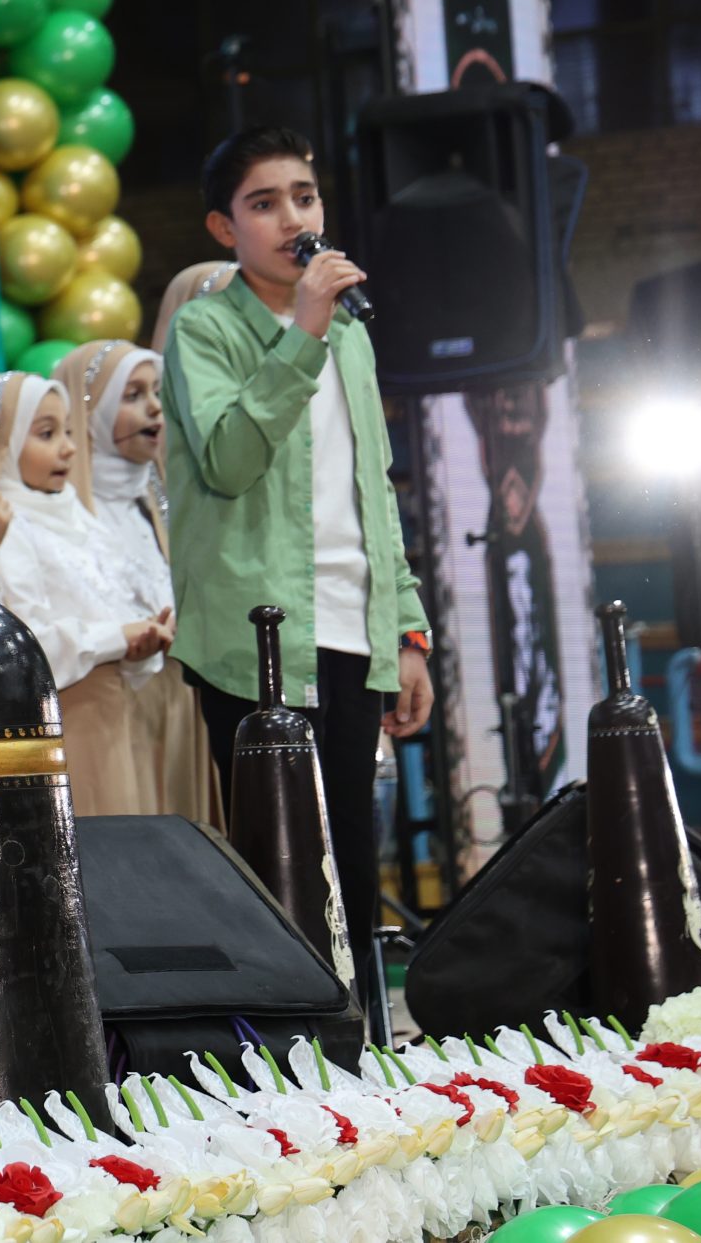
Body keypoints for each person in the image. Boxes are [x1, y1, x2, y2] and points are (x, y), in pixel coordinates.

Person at [164, 126, 434, 968]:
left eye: (304, 197)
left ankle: (356, 1035)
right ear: (224, 227)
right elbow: (229, 460)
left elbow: (373, 491)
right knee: (278, 866)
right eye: (264, 203)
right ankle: (288, 1042)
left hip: (355, 625)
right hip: (257, 636)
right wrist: (303, 331)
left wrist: (409, 630)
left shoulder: (350, 334)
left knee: (350, 860)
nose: (293, 218)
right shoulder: (204, 330)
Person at [0, 372, 172, 818]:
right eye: (46, 434)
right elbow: (26, 646)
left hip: (116, 717)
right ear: (1, 444)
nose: (68, 448)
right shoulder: (5, 526)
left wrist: (140, 645)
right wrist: (117, 638)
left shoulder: (75, 512)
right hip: (64, 722)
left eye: (68, 431)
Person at [56, 341, 219, 824]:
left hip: (178, 704)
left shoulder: (152, 506)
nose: (154, 408)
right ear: (88, 412)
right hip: (104, 718)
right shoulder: (58, 513)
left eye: (156, 392)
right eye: (132, 394)